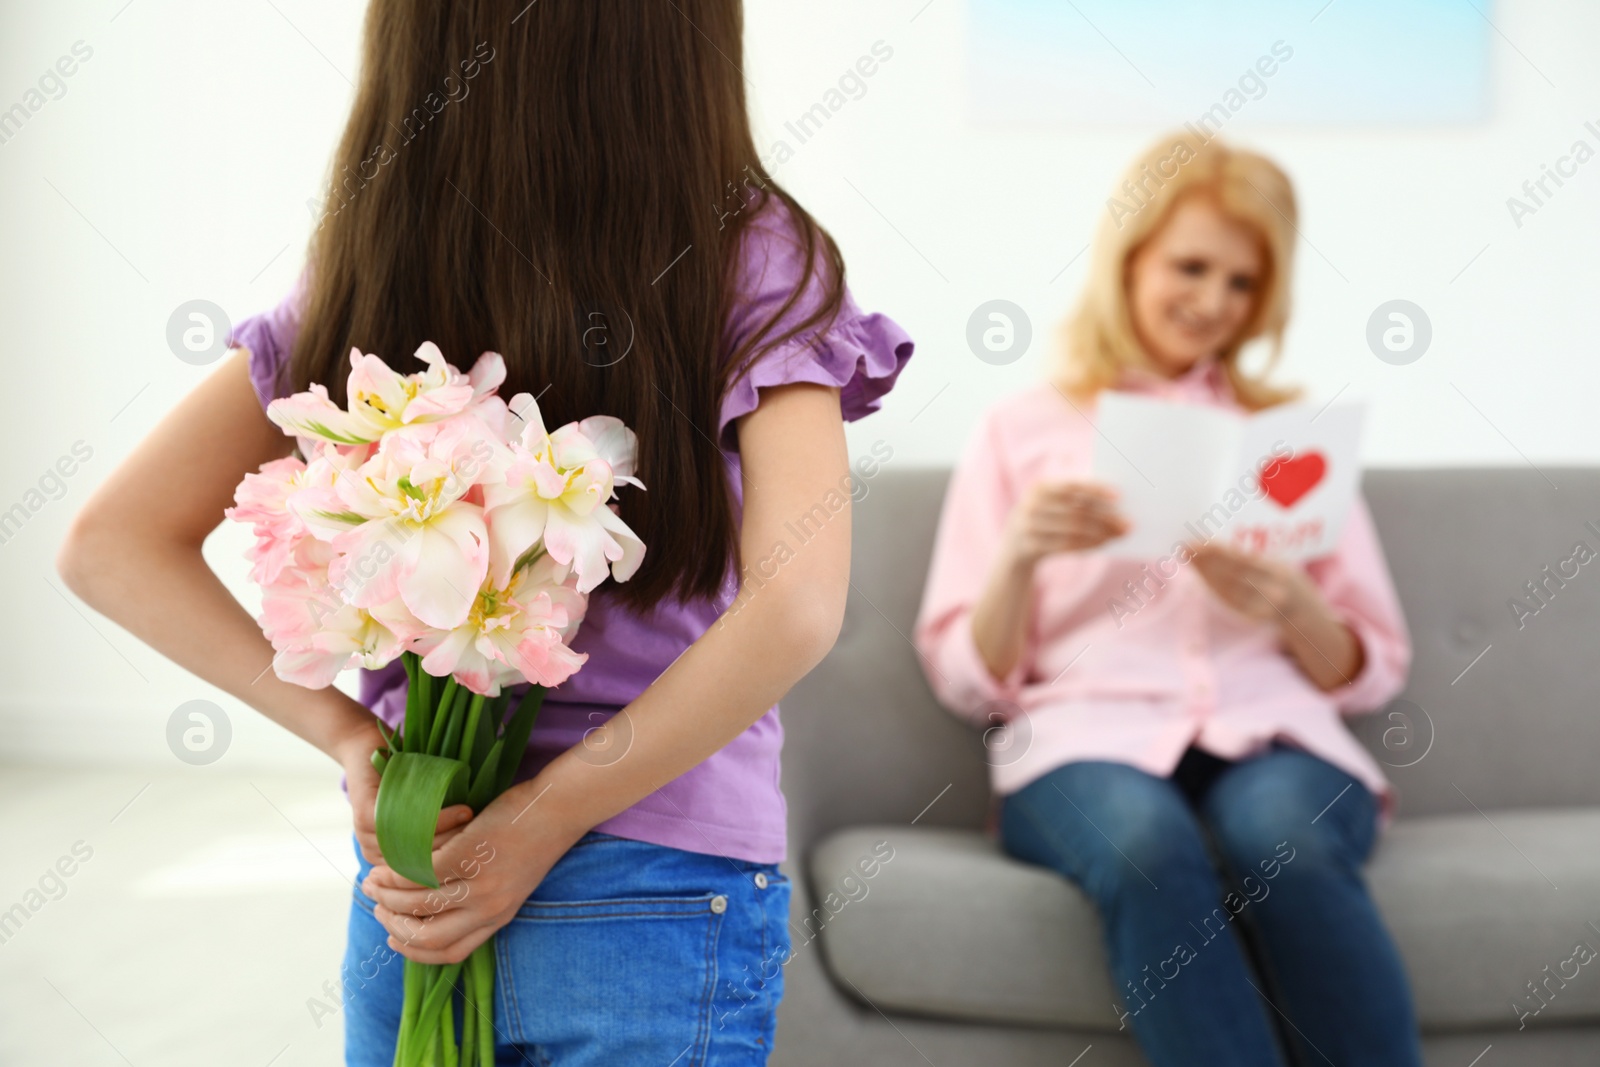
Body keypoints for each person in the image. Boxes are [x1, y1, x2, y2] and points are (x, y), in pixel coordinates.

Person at [55, 3, 913, 1064]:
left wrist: (356, 742)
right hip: (659, 881)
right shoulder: (754, 251)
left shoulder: (375, 263)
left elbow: (108, 541)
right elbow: (795, 599)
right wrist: (546, 816)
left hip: (426, 878)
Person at [912, 131, 1423, 1065]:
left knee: (1283, 836)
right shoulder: (1022, 431)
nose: (1213, 302)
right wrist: (1021, 554)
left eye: (1242, 283)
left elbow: (1375, 663)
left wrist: (1292, 608)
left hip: (1274, 731)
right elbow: (964, 676)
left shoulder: (1287, 439)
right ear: (1130, 257)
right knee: (1145, 840)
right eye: (1191, 266)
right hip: (1078, 739)